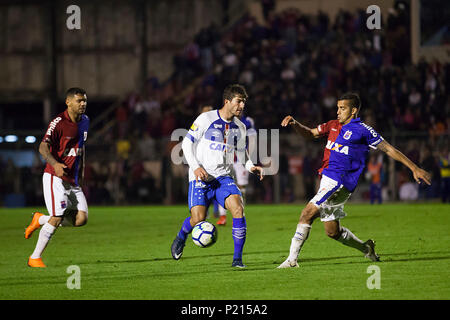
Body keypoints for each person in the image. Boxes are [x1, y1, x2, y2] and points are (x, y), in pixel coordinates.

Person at [278, 92, 431, 268]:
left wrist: (414, 168)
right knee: (332, 232)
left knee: (306, 214)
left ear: (353, 111)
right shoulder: (333, 125)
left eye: (342, 108)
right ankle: (366, 248)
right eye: (337, 108)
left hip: (339, 181)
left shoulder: (363, 130)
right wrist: (296, 124)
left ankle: (291, 260)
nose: (338, 112)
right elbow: (311, 134)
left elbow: (388, 149)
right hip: (328, 179)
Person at [171, 84, 264, 268]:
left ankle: (237, 260)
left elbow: (241, 152)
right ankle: (181, 237)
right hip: (201, 177)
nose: (242, 106)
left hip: (223, 178)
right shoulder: (206, 118)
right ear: (227, 101)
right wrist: (196, 167)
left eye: (244, 102)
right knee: (198, 219)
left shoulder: (240, 127)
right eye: (239, 101)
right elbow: (186, 145)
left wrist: (251, 166)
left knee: (238, 209)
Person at [24, 88, 90, 268]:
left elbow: (81, 149)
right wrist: (55, 164)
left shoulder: (85, 121)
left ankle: (40, 219)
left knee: (81, 219)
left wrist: (82, 172)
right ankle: (34, 257)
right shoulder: (58, 122)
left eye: (84, 100)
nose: (83, 104)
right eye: (79, 101)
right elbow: (42, 147)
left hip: (73, 180)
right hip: (55, 177)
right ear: (68, 102)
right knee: (58, 215)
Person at [217, 113, 257, 226]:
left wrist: (250, 156)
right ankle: (223, 216)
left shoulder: (248, 121)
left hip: (241, 159)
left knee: (241, 186)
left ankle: (240, 212)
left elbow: (252, 138)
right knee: (222, 185)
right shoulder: (224, 119)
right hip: (226, 158)